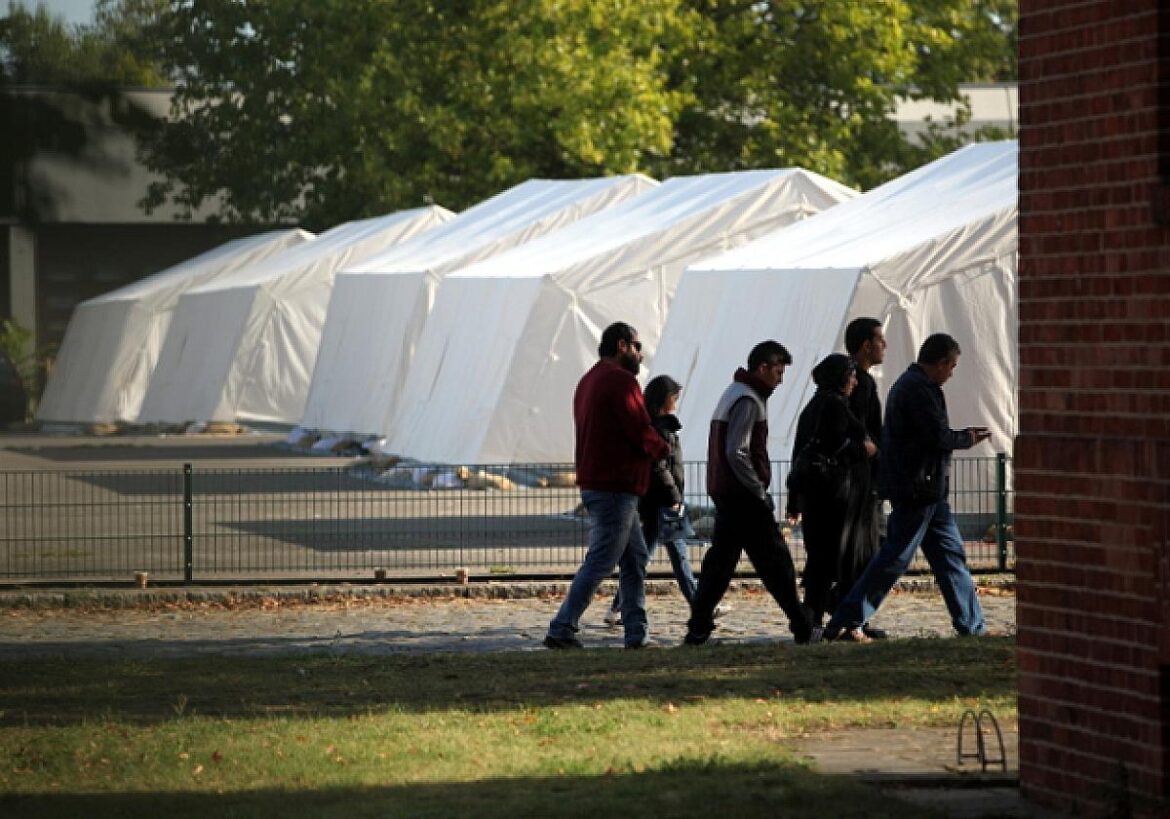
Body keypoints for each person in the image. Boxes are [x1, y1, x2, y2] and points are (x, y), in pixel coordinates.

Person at [823, 333, 991, 643]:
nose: (951, 373)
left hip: (926, 490)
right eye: (951, 366)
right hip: (919, 488)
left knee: (949, 558)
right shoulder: (919, 390)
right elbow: (936, 436)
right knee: (895, 559)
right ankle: (847, 618)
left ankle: (972, 624)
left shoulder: (912, 386)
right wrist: (966, 438)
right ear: (939, 363)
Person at [544, 321, 669, 649]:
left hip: (600, 482)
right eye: (637, 346)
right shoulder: (621, 381)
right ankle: (562, 627)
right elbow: (638, 430)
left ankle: (636, 632)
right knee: (602, 560)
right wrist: (662, 445)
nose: (641, 355)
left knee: (634, 557)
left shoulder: (589, 380)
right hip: (616, 484)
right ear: (622, 346)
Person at [684, 340, 815, 646]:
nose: (780, 380)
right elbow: (737, 450)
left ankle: (699, 626)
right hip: (743, 495)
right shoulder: (749, 399)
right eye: (778, 372)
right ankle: (801, 623)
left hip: (727, 491)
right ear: (763, 368)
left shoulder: (734, 393)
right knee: (775, 561)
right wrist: (758, 490)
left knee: (721, 563)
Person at [604, 376, 723, 625]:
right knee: (651, 558)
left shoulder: (659, 426)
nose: (677, 404)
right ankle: (700, 606)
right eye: (674, 399)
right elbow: (661, 467)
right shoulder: (660, 429)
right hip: (663, 503)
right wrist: (674, 497)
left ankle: (698, 605)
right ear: (664, 400)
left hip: (660, 502)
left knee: (667, 557)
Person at [785, 354, 876, 628]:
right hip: (836, 496)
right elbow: (836, 443)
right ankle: (837, 616)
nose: (855, 381)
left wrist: (794, 500)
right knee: (839, 559)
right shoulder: (834, 405)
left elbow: (799, 453)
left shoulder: (812, 407)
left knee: (821, 560)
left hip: (816, 495)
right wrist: (865, 449)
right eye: (850, 375)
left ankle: (818, 617)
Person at [844, 317, 888, 639]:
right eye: (880, 340)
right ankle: (852, 617)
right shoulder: (862, 384)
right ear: (865, 346)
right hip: (860, 480)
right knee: (865, 550)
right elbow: (862, 429)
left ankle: (852, 616)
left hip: (855, 479)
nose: (884, 346)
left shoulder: (851, 379)